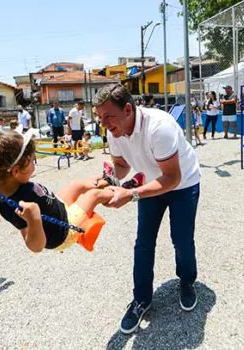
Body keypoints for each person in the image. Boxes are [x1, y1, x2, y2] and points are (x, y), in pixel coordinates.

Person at [93, 84, 201, 334]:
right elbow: (120, 165)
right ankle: (141, 298)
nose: (104, 123)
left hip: (183, 183)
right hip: (153, 182)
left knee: (182, 240)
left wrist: (131, 194)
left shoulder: (159, 128)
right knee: (143, 243)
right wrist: (108, 180)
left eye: (108, 116)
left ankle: (186, 282)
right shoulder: (114, 130)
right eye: (100, 117)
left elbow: (172, 178)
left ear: (128, 109)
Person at [0, 130, 145, 253]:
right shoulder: (20, 204)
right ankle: (124, 189)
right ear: (16, 171)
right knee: (93, 195)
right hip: (64, 231)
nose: (34, 164)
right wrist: (34, 219)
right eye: (31, 161)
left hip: (57, 208)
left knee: (78, 185)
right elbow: (35, 247)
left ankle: (108, 180)